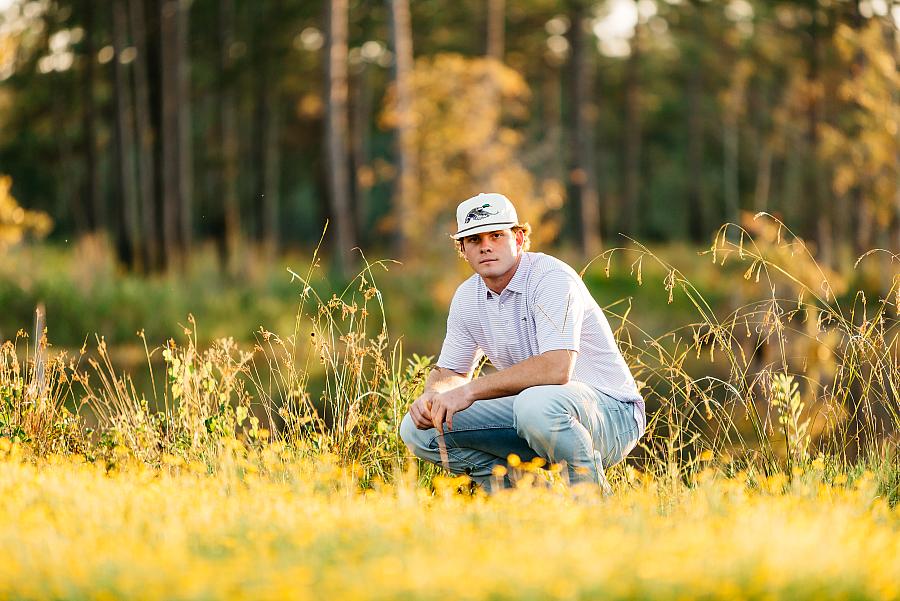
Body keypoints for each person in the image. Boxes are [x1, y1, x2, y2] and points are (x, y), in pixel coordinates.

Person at [399, 192, 645, 492]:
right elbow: (449, 372)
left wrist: (469, 391)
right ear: (462, 248)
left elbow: (556, 369)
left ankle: (594, 505)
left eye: (496, 235)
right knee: (418, 430)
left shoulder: (551, 279)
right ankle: (530, 504)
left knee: (534, 405)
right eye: (475, 239)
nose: (486, 245)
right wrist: (434, 397)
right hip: (535, 413)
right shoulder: (467, 297)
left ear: (518, 238)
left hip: (612, 414)